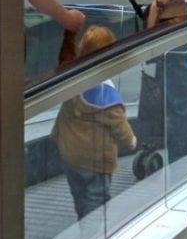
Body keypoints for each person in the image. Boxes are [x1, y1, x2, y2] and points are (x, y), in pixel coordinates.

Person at [51, 26, 136, 220]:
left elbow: (65, 58)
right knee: (97, 200)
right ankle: (92, 232)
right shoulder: (106, 94)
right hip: (95, 161)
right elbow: (119, 125)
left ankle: (82, 220)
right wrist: (131, 140)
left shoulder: (72, 77)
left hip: (70, 155)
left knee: (79, 196)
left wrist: (69, 32)